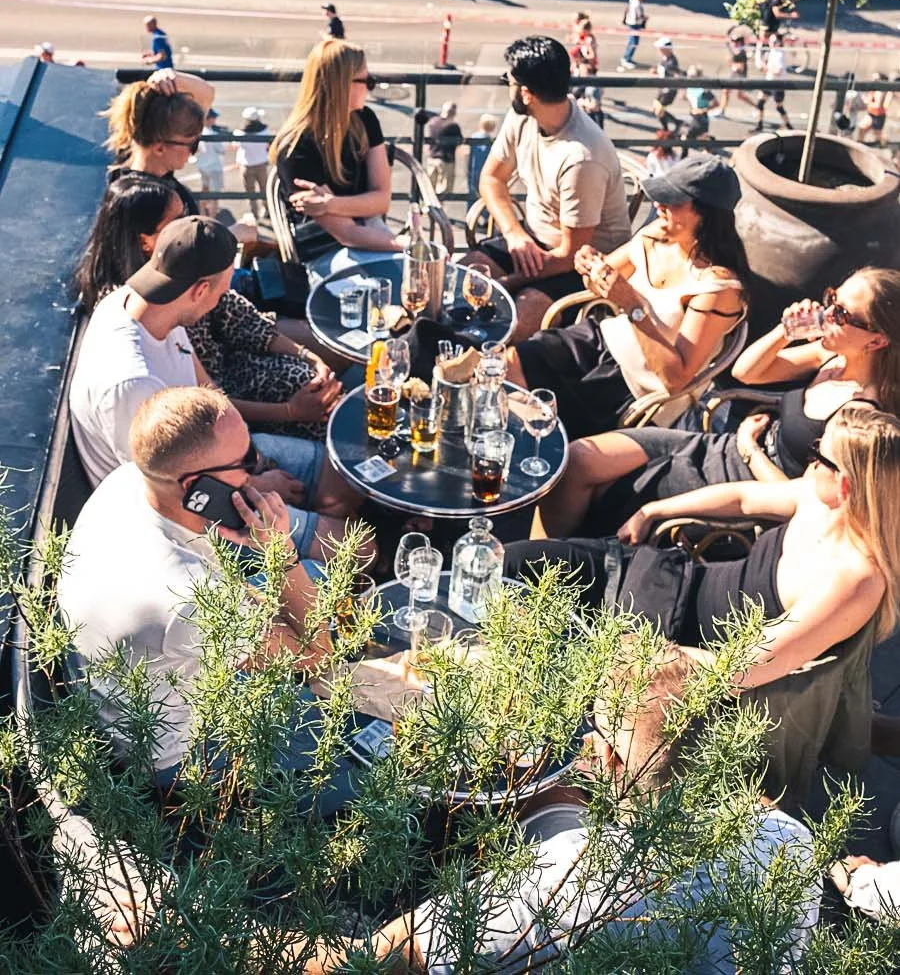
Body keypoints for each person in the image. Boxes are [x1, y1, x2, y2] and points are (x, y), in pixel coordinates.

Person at [296, 645, 820, 972]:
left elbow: (378, 960)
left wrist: (231, 939)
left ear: (608, 759)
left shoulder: (578, 876)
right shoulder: (793, 839)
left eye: (594, 737)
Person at [58, 384, 359, 812]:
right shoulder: (186, 597)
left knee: (316, 580)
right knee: (356, 753)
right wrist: (282, 552)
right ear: (198, 488)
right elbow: (317, 651)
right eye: (246, 463)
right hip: (178, 754)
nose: (257, 474)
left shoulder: (127, 481)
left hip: (136, 679)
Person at [512, 403, 900, 696]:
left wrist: (638, 657)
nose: (809, 461)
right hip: (659, 573)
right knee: (508, 565)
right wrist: (653, 510)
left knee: (511, 621)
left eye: (819, 456)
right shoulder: (820, 498)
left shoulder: (854, 579)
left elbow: (742, 668)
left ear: (847, 485)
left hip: (656, 633)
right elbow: (743, 498)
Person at [531, 265, 900, 540]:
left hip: (748, 483)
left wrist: (750, 450)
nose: (827, 313)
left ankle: (557, 573)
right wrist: (784, 332)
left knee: (614, 493)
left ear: (877, 341)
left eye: (842, 314)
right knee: (579, 459)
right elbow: (747, 371)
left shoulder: (858, 417)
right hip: (721, 447)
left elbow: (803, 501)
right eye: (832, 298)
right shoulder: (831, 356)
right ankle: (540, 558)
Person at [68, 214, 361, 560]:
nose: (224, 299)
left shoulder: (150, 307)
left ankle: (312, 540)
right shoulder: (134, 384)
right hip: (195, 518)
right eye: (223, 290)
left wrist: (256, 462)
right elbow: (163, 494)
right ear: (200, 290)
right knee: (360, 548)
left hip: (219, 461)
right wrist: (256, 487)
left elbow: (209, 393)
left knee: (348, 463)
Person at [74, 176, 343, 440]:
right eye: (176, 221)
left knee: (316, 375)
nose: (186, 225)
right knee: (314, 395)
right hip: (211, 419)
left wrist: (306, 355)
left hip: (226, 384)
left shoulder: (156, 298)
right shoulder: (153, 312)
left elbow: (241, 320)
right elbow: (193, 412)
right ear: (145, 241)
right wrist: (289, 413)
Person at [506, 154, 747, 441]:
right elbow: (599, 283)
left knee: (536, 423)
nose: (659, 205)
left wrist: (632, 305)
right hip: (598, 340)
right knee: (506, 365)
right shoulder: (656, 235)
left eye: (672, 200)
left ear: (705, 215)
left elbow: (674, 379)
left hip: (630, 387)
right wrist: (590, 266)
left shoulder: (718, 289)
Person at [466, 36, 631, 340]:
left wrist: (506, 283)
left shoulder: (581, 158)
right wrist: (515, 234)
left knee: (509, 328)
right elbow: (491, 179)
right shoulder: (523, 116)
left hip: (582, 265)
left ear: (526, 93)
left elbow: (571, 255)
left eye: (509, 81)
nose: (508, 87)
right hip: (532, 241)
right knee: (460, 278)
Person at [270, 39, 400, 279]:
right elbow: (346, 234)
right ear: (341, 84)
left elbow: (382, 200)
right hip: (322, 252)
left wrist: (329, 204)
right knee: (381, 287)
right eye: (366, 81)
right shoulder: (296, 147)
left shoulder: (365, 120)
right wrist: (407, 245)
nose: (371, 88)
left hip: (370, 236)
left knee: (410, 281)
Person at [104, 68, 215, 215]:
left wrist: (170, 77)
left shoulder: (135, 175)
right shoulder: (155, 202)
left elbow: (207, 94)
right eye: (192, 146)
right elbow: (181, 239)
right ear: (160, 148)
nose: (194, 152)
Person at [235, 106, 270, 224]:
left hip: (247, 165)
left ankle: (254, 213)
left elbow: (236, 146)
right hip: (261, 164)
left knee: (250, 191)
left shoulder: (239, 133)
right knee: (264, 189)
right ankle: (267, 209)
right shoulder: (265, 132)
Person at [191, 108, 227, 217]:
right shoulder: (212, 133)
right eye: (213, 118)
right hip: (214, 168)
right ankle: (212, 219)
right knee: (214, 196)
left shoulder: (197, 132)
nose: (215, 120)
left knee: (205, 190)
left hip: (203, 166)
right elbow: (222, 150)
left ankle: (202, 213)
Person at [424, 101, 463, 197]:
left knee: (429, 191)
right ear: (454, 112)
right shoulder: (453, 126)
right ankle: (438, 211)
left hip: (432, 158)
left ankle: (426, 211)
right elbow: (459, 141)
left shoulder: (433, 122)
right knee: (443, 191)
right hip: (446, 160)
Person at [756, 33, 793, 132]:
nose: (771, 43)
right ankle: (759, 125)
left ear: (779, 42)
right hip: (769, 82)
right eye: (770, 41)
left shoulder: (780, 54)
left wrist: (766, 67)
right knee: (760, 103)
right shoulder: (771, 51)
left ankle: (789, 126)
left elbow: (778, 71)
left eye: (774, 42)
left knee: (779, 107)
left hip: (778, 84)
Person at [757, 0, 800, 68]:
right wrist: (790, 15)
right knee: (765, 41)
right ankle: (760, 60)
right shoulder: (777, 1)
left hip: (774, 25)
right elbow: (777, 14)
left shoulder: (786, 4)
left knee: (773, 41)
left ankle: (769, 59)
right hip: (767, 23)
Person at [651, 37, 682, 133]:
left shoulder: (671, 62)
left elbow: (676, 75)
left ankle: (667, 128)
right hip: (662, 89)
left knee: (658, 110)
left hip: (668, 90)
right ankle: (675, 123)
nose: (660, 50)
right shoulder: (665, 58)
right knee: (656, 108)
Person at [681, 66, 718, 141]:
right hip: (694, 116)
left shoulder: (703, 90)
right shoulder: (689, 87)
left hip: (701, 119)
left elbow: (716, 103)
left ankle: (710, 142)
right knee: (697, 139)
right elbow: (685, 98)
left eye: (692, 76)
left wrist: (703, 110)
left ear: (698, 77)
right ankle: (709, 141)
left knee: (686, 138)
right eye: (688, 75)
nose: (689, 78)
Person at [467, 114, 497, 206]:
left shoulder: (474, 137)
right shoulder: (490, 141)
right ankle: (485, 215)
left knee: (472, 193)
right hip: (485, 170)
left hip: (473, 169)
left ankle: (471, 214)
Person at [857, 72, 892, 147]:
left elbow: (877, 105)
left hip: (878, 115)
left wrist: (867, 101)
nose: (873, 80)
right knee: (861, 128)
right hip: (871, 113)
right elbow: (869, 101)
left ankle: (890, 146)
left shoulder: (880, 91)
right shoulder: (873, 89)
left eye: (875, 79)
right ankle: (859, 145)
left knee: (878, 136)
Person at [618, 0, 647, 71]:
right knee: (634, 42)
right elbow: (636, 16)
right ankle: (626, 59)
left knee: (632, 41)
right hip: (635, 24)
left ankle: (628, 58)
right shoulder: (636, 4)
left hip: (631, 22)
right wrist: (643, 18)